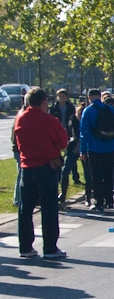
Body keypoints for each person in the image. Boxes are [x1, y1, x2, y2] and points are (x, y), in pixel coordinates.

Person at [15, 87, 68, 260]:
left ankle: (25, 246)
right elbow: (62, 141)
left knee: (25, 209)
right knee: (49, 208)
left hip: (27, 166)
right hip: (47, 166)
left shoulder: (20, 118)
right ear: (44, 102)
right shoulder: (49, 120)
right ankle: (50, 248)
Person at [79, 88, 114, 212]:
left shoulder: (88, 111)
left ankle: (98, 201)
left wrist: (83, 150)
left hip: (94, 147)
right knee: (109, 174)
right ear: (100, 96)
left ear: (89, 97)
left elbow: (84, 132)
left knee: (96, 175)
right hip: (110, 146)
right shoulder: (111, 109)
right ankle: (109, 199)